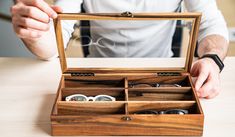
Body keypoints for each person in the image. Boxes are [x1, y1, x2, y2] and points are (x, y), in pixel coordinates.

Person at [11, 0, 229, 99]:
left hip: (164, 75)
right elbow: (51, 47)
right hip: (98, 78)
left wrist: (212, 59)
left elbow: (212, 25)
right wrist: (33, 31)